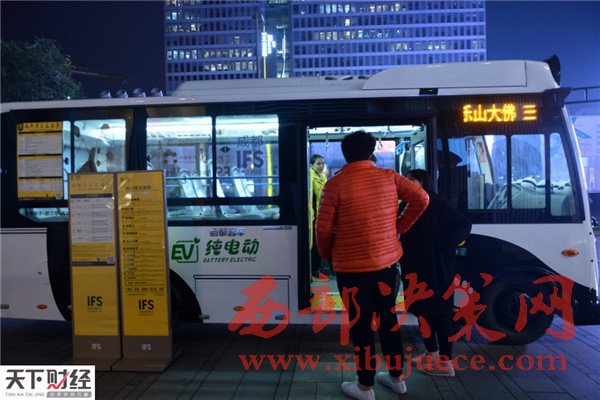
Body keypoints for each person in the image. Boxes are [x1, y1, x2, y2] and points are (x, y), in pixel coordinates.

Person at [316, 131, 429, 400]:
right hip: (386, 265)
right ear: (370, 152)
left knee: (361, 325)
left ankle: (365, 386)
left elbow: (323, 229)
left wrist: (328, 256)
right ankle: (397, 378)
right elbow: (422, 199)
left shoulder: (335, 184)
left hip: (351, 270)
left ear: (345, 154)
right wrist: (399, 227)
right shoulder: (390, 177)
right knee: (388, 320)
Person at [400, 169, 472, 377]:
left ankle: (446, 362)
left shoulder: (436, 203)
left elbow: (463, 224)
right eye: (406, 180)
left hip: (436, 268)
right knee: (421, 310)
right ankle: (431, 351)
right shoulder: (406, 204)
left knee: (440, 313)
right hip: (414, 267)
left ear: (423, 182)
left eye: (412, 180)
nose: (408, 183)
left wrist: (441, 247)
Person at [309, 154, 328, 280]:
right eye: (318, 164)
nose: (321, 166)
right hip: (313, 215)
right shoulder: (310, 177)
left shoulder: (323, 177)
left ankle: (317, 268)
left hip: (321, 215)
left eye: (322, 164)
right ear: (312, 165)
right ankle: (313, 270)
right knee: (314, 245)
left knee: (319, 243)